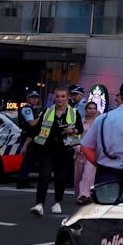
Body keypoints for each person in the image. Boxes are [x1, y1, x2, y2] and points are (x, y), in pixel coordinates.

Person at [28, 86, 83, 216]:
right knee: (44, 176)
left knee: (60, 177)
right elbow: (36, 129)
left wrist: (72, 130)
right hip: (48, 149)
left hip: (65, 149)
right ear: (54, 97)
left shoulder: (73, 113)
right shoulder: (47, 111)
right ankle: (39, 204)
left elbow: (80, 129)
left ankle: (57, 202)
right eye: (57, 96)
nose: (60, 99)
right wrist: (28, 143)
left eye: (63, 96)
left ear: (67, 97)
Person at [72, 100, 101, 205]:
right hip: (79, 152)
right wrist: (77, 147)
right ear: (85, 110)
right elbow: (75, 137)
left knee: (88, 174)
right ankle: (79, 195)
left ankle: (85, 195)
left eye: (94, 108)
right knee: (78, 176)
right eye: (90, 108)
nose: (92, 111)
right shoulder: (80, 122)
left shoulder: (98, 123)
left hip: (92, 153)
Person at [14, 89, 44, 189]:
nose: (35, 99)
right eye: (32, 97)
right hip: (28, 136)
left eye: (36, 98)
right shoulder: (27, 109)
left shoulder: (33, 109)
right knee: (28, 159)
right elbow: (32, 123)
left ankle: (24, 180)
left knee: (32, 159)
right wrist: (42, 116)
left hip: (32, 136)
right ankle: (22, 181)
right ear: (28, 99)